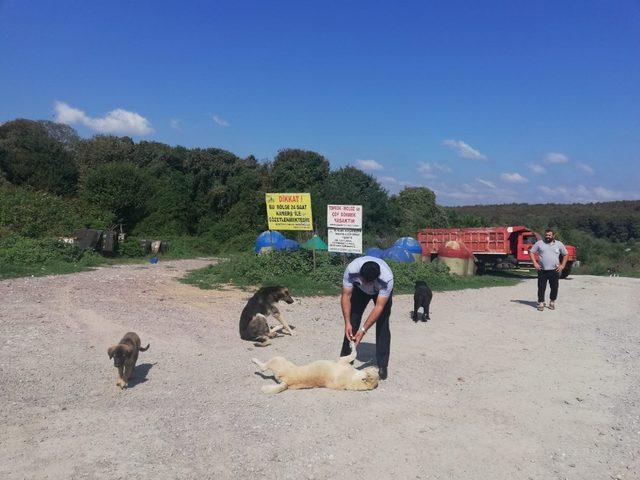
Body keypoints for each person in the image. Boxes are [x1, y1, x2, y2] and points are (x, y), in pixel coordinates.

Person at [340, 256, 394, 380]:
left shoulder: (387, 279)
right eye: (364, 280)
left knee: (383, 323)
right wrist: (347, 322)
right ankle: (345, 359)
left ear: (376, 278)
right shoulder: (351, 270)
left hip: (379, 292)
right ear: (360, 274)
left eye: (369, 282)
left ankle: (382, 364)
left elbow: (379, 307)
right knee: (353, 319)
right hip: (359, 292)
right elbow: (346, 296)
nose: (366, 284)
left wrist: (363, 330)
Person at [529, 228, 568, 311]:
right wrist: (535, 263)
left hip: (554, 270)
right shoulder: (539, 243)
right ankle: (541, 302)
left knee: (554, 287)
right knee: (541, 287)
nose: (548, 237)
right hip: (542, 269)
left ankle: (552, 302)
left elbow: (565, 254)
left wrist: (562, 265)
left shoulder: (559, 244)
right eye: (546, 235)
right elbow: (531, 252)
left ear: (553, 235)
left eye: (550, 235)